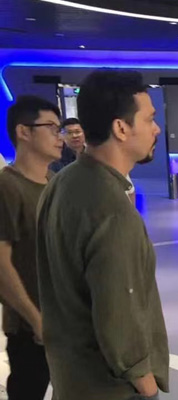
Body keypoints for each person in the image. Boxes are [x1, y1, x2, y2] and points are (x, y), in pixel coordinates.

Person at [36, 70, 169, 400]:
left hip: (69, 380)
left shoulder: (61, 184)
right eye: (149, 119)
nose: (156, 129)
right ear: (121, 128)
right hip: (110, 389)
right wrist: (146, 385)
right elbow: (118, 314)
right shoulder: (113, 211)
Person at [0, 95, 63, 399]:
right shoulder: (7, 187)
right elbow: (2, 264)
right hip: (30, 329)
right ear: (23, 131)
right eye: (51, 128)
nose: (59, 137)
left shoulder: (55, 182)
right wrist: (36, 320)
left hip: (63, 318)